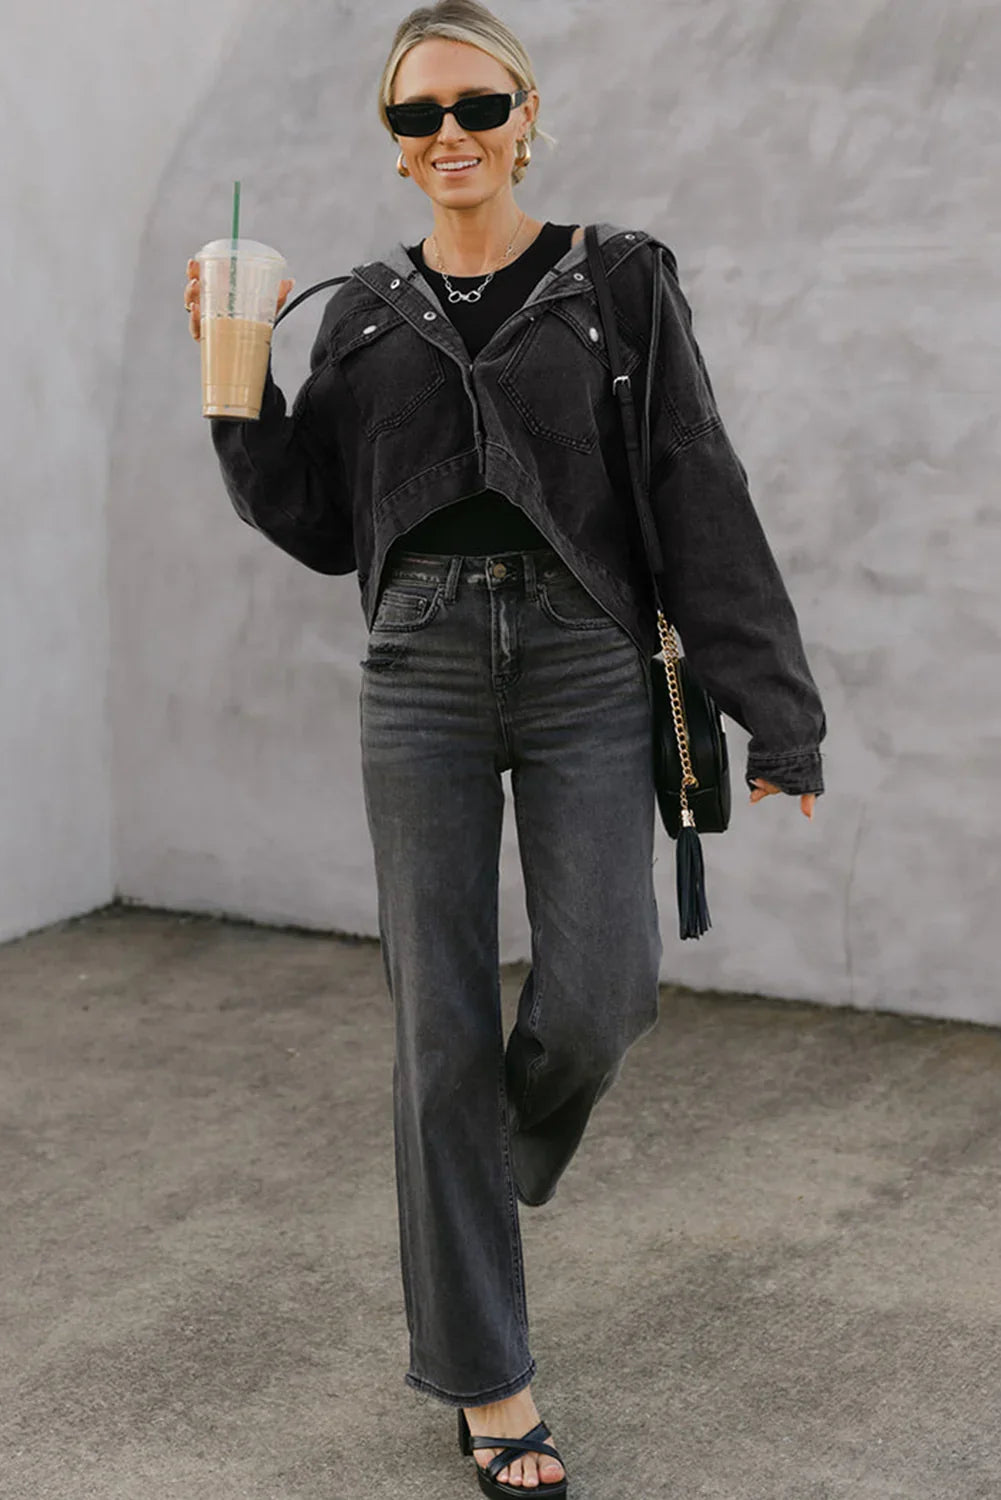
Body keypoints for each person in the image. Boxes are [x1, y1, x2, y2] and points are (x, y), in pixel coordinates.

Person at [183, 2, 827, 1490]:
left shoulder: (619, 279)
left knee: (600, 994)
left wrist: (776, 712)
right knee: (439, 1030)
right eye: (418, 116)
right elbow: (318, 520)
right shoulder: (360, 311)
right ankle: (489, 1383)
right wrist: (233, 383)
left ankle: (475, 1154)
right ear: (395, 143)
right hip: (416, 667)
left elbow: (697, 483)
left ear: (526, 114)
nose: (450, 135)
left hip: (584, 656)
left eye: (476, 106)